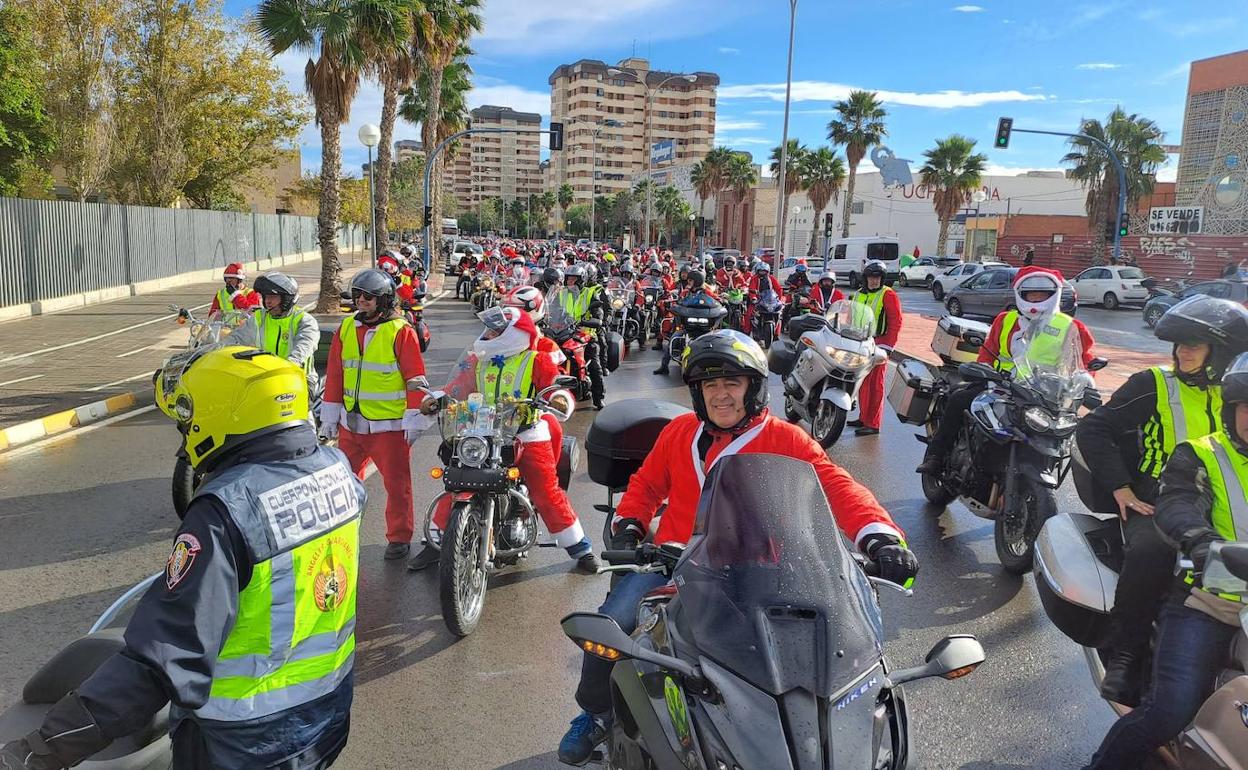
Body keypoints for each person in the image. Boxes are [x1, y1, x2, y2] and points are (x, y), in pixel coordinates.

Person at [557, 330, 918, 765]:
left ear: (754, 387)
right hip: (673, 563)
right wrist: (631, 524)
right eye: (710, 385)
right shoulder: (678, 433)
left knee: (811, 650)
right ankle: (594, 713)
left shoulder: (788, 440)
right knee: (614, 621)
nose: (720, 395)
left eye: (732, 383)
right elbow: (646, 485)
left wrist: (880, 536)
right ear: (697, 392)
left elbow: (838, 488)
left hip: (764, 574)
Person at [0, 348, 364, 770]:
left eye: (188, 414)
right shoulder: (337, 470)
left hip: (247, 742)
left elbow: (161, 662)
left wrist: (36, 752)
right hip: (327, 714)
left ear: (222, 413)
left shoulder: (227, 511)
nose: (184, 426)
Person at [1075, 295, 1248, 705]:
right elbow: (1094, 429)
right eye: (1178, 343)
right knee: (1153, 550)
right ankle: (1127, 653)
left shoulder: (1237, 394)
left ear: (1222, 353)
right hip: (1159, 497)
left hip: (1220, 496)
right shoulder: (1154, 383)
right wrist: (1122, 488)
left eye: (1193, 344)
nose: (1181, 351)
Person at [407, 307, 600, 574]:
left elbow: (556, 385)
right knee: (457, 477)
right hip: (482, 430)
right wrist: (435, 400)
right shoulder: (478, 360)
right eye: (489, 329)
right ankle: (437, 539)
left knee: (545, 489)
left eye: (496, 330)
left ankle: (579, 546)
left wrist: (558, 398)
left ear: (516, 333)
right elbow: (457, 388)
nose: (489, 334)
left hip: (525, 432)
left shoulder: (536, 360)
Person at [918, 267, 1096, 473]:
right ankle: (936, 457)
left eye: (1042, 294)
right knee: (959, 399)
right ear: (1021, 294)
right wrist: (983, 370)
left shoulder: (1072, 327)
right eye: (1031, 294)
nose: (1036, 299)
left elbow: (1085, 364)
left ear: (1053, 294)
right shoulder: (1005, 320)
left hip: (1044, 398)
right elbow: (988, 352)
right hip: (999, 387)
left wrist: (1085, 383)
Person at [320, 269, 428, 560]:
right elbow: (335, 373)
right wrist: (330, 414)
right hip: (350, 424)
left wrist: (415, 416)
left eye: (369, 297)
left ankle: (399, 537)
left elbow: (415, 378)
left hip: (388, 427)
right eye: (357, 295)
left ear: (383, 300)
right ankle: (344, 531)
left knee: (397, 485)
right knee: (343, 483)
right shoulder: (345, 328)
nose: (361, 301)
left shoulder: (400, 331)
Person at [230, 272, 321, 395]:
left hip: (299, 379)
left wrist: (291, 364)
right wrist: (208, 351)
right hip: (265, 379)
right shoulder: (259, 318)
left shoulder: (304, 321)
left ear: (286, 298)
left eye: (272, 297)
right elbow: (236, 338)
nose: (267, 301)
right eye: (265, 297)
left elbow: (303, 347)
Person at [849, 261, 902, 436]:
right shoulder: (858, 295)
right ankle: (863, 417)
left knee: (875, 385)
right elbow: (850, 318)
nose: (874, 281)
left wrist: (888, 347)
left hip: (880, 345)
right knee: (862, 382)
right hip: (860, 344)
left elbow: (896, 321)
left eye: (877, 277)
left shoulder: (888, 294)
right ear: (865, 278)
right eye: (871, 277)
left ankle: (873, 423)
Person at [556, 265, 607, 409]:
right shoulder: (561, 293)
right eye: (568, 278)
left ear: (581, 280)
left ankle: (599, 397)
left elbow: (598, 314)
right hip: (564, 332)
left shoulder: (589, 294)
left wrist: (593, 320)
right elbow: (551, 309)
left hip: (585, 335)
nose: (570, 281)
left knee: (595, 366)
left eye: (574, 279)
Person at [744, 261, 782, 335]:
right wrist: (754, 298)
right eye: (760, 271)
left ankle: (776, 333)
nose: (762, 273)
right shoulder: (754, 278)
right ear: (757, 271)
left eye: (764, 271)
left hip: (770, 300)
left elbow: (778, 289)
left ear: (767, 271)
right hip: (758, 301)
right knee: (749, 313)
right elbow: (752, 289)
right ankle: (746, 331)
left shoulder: (771, 278)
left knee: (779, 314)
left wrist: (778, 299)